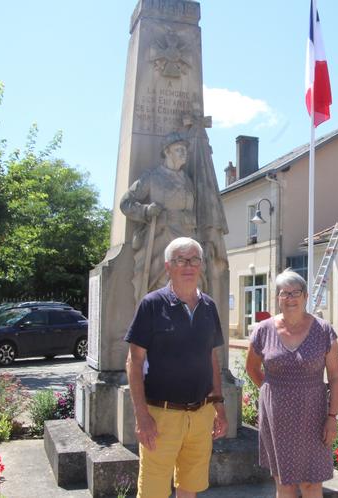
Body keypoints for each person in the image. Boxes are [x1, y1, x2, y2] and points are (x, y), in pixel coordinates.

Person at [125, 237, 228, 498]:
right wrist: (141, 416)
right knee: (153, 492)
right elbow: (134, 362)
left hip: (201, 414)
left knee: (190, 488)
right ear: (168, 266)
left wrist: (218, 405)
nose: (188, 266)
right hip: (161, 416)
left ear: (201, 265)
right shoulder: (152, 304)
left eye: (194, 259)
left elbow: (212, 358)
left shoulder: (209, 307)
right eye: (181, 260)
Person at [245, 270, 338, 498]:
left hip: (314, 417)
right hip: (277, 418)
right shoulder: (263, 331)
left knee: (311, 484)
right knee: (284, 483)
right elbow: (252, 368)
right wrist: (271, 392)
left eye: (295, 292)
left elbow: (336, 377)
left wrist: (332, 417)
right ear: (277, 298)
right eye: (284, 293)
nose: (290, 298)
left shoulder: (323, 330)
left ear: (306, 296)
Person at [120, 132, 197, 302]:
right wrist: (146, 210)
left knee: (189, 284)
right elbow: (126, 203)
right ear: (167, 152)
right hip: (161, 237)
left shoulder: (188, 181)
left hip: (187, 239)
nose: (184, 153)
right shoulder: (152, 177)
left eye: (185, 149)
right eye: (179, 149)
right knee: (161, 282)